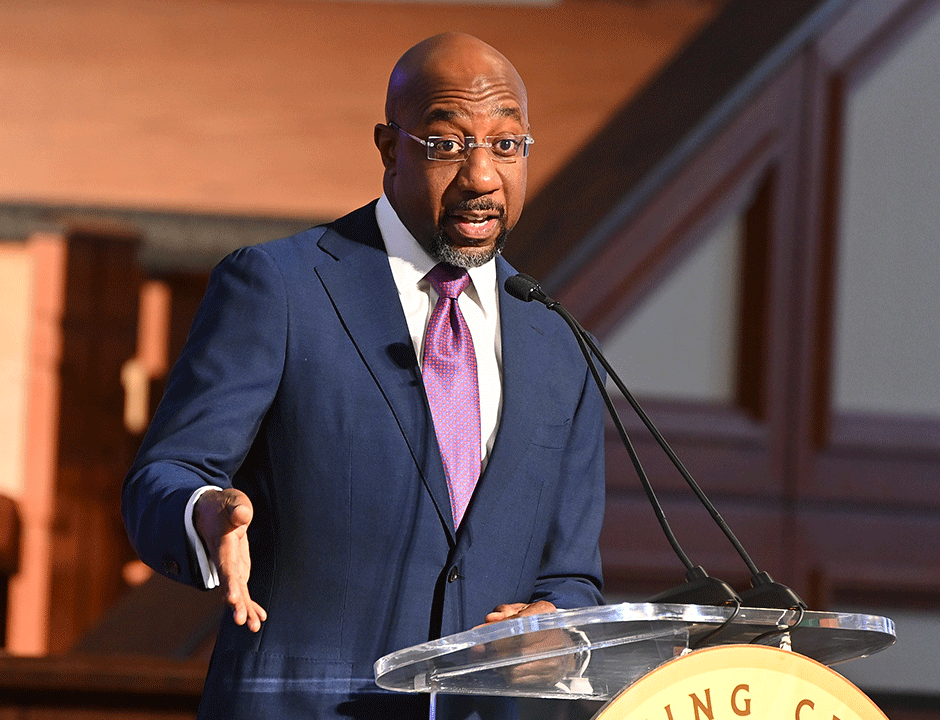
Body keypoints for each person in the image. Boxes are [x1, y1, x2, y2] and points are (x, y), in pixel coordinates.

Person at [121, 32, 605, 719]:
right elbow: (160, 479)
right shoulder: (281, 287)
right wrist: (204, 513)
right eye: (446, 144)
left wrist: (559, 632)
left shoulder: (558, 340)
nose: (482, 177)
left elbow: (573, 575)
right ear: (389, 148)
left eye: (506, 145)